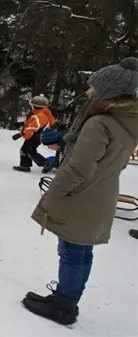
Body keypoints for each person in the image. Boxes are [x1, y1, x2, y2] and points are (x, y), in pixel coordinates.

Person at [24, 57, 138, 326]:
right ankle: (67, 299)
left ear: (107, 90)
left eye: (93, 87)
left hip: (82, 196)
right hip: (102, 193)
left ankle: (64, 306)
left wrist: (56, 193)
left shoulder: (100, 123)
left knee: (72, 251)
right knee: (82, 251)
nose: (88, 91)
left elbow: (80, 168)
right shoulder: (127, 123)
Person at [12, 95, 55, 172]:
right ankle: (25, 166)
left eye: (31, 105)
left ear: (35, 106)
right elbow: (32, 123)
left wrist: (20, 134)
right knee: (24, 150)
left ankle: (47, 163)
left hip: (36, 137)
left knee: (31, 151)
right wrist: (21, 123)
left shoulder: (41, 116)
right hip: (33, 136)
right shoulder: (39, 114)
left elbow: (33, 127)